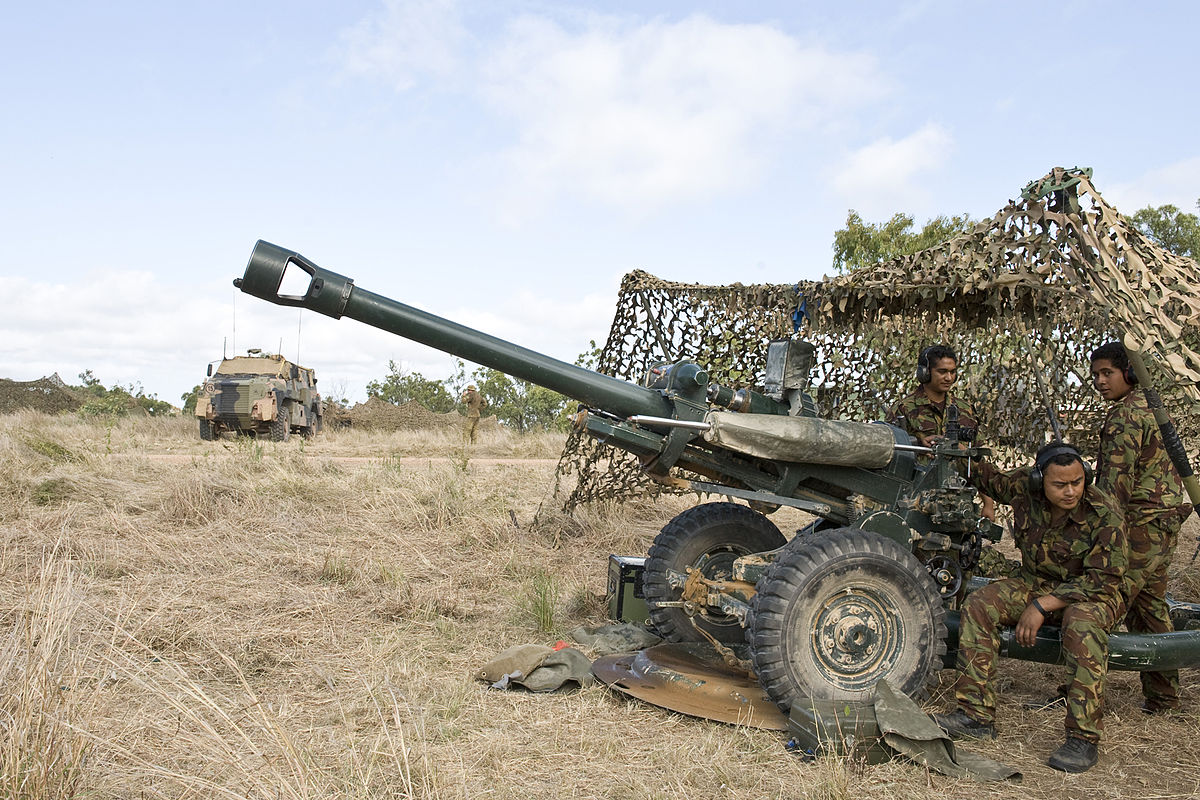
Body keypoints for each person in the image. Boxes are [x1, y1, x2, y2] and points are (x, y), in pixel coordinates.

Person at [934, 442, 1129, 774]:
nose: (1071, 491)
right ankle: (975, 716)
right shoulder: (1024, 487)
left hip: (1093, 593)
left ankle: (1083, 738)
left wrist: (1042, 605)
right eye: (1060, 484)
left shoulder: (1104, 513)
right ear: (1040, 480)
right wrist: (955, 451)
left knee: (1081, 624)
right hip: (1037, 582)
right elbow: (989, 478)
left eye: (1077, 482)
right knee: (979, 605)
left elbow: (1104, 580)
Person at [1090, 341, 1191, 714]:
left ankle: (1078, 690)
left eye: (1107, 373)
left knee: (1099, 604)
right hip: (1162, 526)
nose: (1100, 381)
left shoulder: (1125, 417)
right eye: (1095, 374)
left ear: (1129, 373)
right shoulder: (1151, 407)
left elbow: (1113, 488)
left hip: (1139, 528)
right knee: (1150, 610)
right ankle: (1163, 698)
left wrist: (1098, 537)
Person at [888, 345, 995, 520]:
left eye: (952, 372)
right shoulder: (904, 409)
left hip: (958, 503)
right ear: (925, 373)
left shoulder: (965, 410)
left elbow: (978, 459)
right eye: (942, 371)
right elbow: (889, 451)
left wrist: (988, 504)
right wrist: (919, 442)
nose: (949, 378)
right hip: (914, 502)